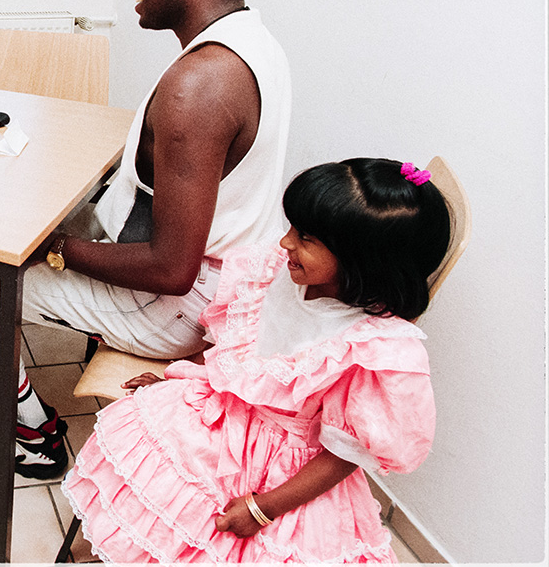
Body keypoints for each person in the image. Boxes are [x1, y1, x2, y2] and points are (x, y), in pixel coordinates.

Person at [0, 0, 292, 479]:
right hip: (225, 278)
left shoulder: (199, 87)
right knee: (13, 213)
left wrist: (55, 249)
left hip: (178, 306)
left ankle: (25, 428)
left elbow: (171, 269)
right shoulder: (254, 43)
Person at [61, 158, 451, 563]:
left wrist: (264, 508)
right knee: (153, 473)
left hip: (285, 470)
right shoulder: (277, 273)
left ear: (364, 260)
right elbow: (237, 353)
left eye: (305, 238)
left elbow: (342, 456)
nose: (285, 243)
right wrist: (180, 383)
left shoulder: (372, 348)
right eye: (292, 228)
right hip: (223, 417)